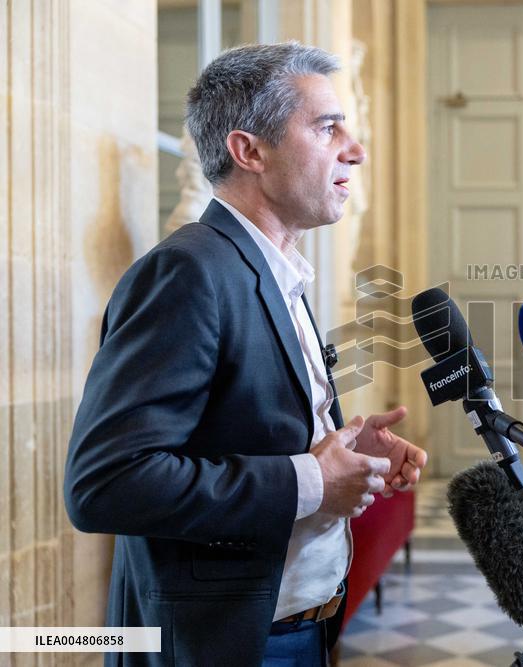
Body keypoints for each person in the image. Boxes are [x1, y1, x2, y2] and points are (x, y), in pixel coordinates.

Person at [64, 42, 428, 667]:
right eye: (326, 126)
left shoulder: (274, 269)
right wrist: (313, 481)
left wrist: (341, 447)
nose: (355, 149)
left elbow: (241, 426)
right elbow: (105, 483)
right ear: (250, 150)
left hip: (297, 627)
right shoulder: (188, 272)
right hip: (226, 643)